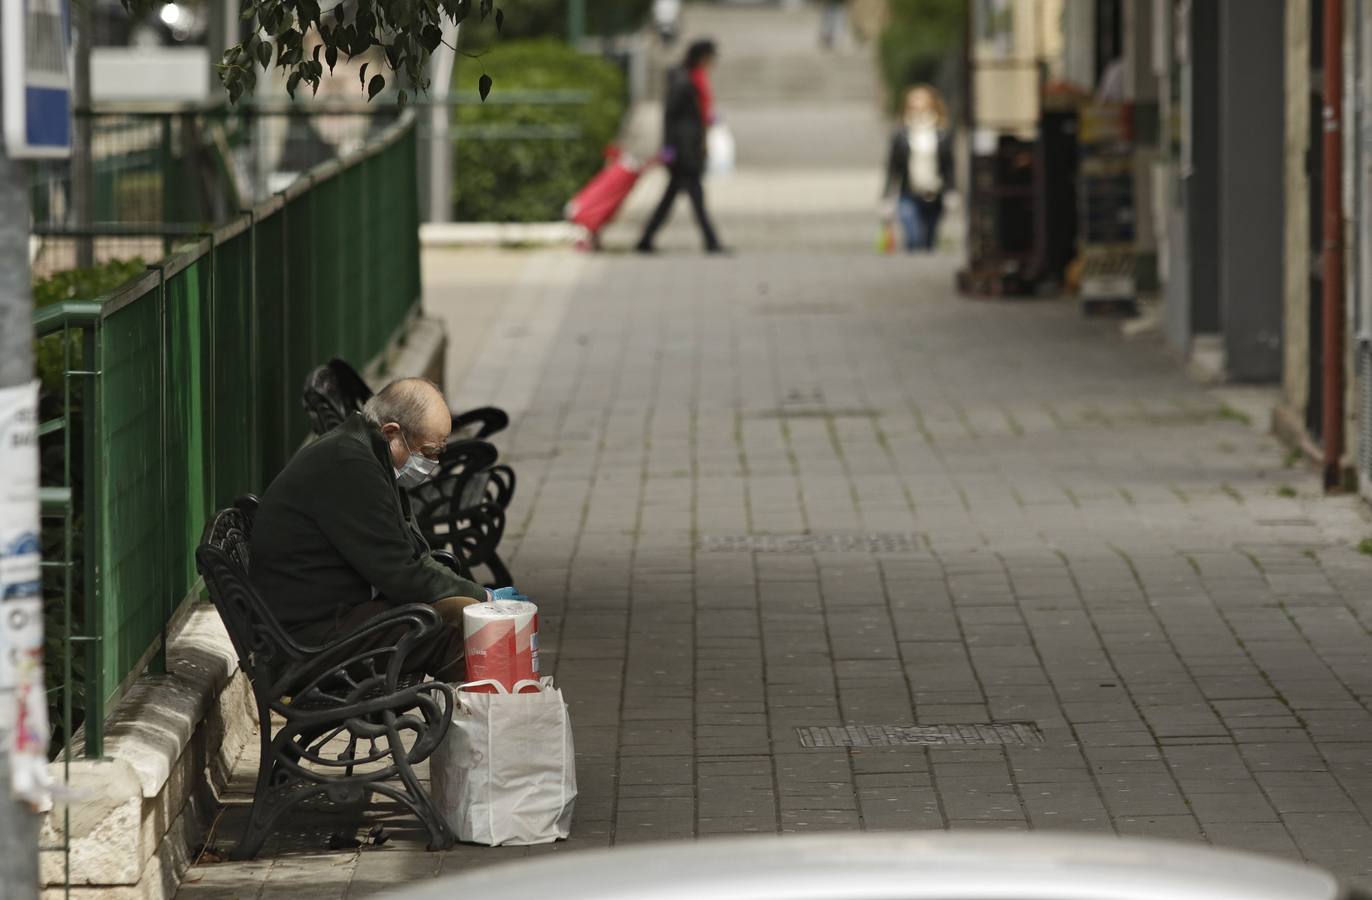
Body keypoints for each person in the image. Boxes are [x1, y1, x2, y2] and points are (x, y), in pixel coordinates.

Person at [251, 378, 523, 682]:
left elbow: (412, 557)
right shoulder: (350, 466)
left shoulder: (370, 455)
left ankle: (492, 711)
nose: (432, 463)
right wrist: (485, 597)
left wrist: (476, 598)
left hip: (334, 614)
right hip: (310, 639)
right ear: (392, 432)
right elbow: (402, 574)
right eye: (429, 451)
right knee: (451, 635)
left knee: (465, 613)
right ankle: (481, 722)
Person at [636, 39, 727, 255]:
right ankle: (711, 241)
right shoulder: (683, 81)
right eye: (710, 58)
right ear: (701, 57)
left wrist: (708, 119)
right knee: (695, 197)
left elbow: (694, 112)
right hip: (683, 150)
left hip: (689, 147)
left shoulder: (693, 79)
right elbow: (670, 116)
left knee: (672, 198)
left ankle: (646, 239)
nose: (712, 63)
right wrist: (668, 147)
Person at [882, 84, 954, 252]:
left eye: (921, 99)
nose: (917, 104)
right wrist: (886, 196)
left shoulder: (942, 133)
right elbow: (893, 167)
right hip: (908, 192)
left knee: (929, 240)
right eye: (914, 100)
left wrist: (951, 190)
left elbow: (949, 165)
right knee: (913, 237)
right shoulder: (901, 134)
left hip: (934, 193)